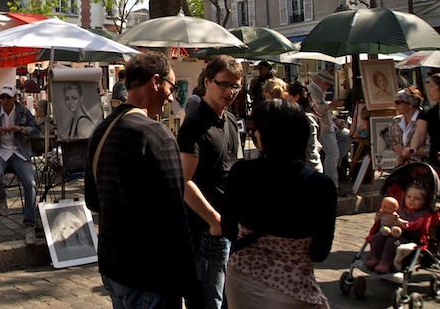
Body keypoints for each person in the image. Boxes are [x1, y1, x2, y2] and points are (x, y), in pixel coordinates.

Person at [85, 52, 200, 308]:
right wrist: (191, 284)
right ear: (156, 82)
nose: (171, 96)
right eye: (171, 87)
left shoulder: (102, 130)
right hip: (149, 275)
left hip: (112, 266)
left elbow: (93, 200)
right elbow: (174, 219)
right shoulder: (156, 135)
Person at [222, 98, 336, 309]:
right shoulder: (321, 185)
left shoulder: (241, 173)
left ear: (263, 135)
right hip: (294, 287)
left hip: (242, 280)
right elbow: (320, 252)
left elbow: (228, 230)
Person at [178, 54, 243, 309]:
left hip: (227, 226)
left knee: (227, 300)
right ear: (207, 82)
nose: (230, 91)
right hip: (205, 230)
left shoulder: (229, 120)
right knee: (207, 301)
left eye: (235, 85)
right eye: (223, 84)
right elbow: (183, 181)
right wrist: (213, 220)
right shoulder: (195, 124)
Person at [0, 84, 40, 245]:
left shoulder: (23, 111)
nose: (5, 100)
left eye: (8, 97)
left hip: (19, 152)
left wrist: (20, 129)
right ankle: (2, 198)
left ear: (14, 98)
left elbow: (36, 130)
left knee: (31, 183)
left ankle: (29, 226)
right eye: (2, 97)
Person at [364, 184, 431, 275]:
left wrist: (405, 224)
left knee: (391, 242)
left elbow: (417, 225)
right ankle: (374, 258)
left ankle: (385, 263)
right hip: (392, 231)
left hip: (409, 236)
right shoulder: (400, 209)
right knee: (377, 237)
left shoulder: (422, 214)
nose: (412, 200)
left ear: (424, 202)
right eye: (409, 197)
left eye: (417, 199)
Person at [308, 69, 343, 190]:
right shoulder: (312, 91)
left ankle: (334, 168)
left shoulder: (319, 91)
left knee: (346, 137)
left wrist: (335, 120)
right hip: (321, 127)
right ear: (320, 81)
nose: (329, 86)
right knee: (333, 152)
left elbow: (325, 111)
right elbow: (316, 110)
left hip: (328, 125)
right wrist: (330, 106)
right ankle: (332, 183)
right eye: (327, 83)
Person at [287, 81, 324, 174]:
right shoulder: (300, 117)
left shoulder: (306, 119)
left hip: (310, 169)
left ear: (296, 97)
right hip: (305, 168)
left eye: (288, 95)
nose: (286, 98)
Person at [388, 87, 428, 165]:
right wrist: (394, 147)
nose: (395, 106)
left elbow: (432, 148)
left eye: (398, 102)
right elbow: (391, 141)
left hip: (423, 168)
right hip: (403, 168)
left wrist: (411, 151)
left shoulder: (425, 120)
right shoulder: (395, 122)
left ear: (410, 104)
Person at [411, 73, 440, 169]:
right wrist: (413, 148)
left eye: (432, 86)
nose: (428, 90)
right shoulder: (428, 112)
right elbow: (419, 135)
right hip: (435, 162)